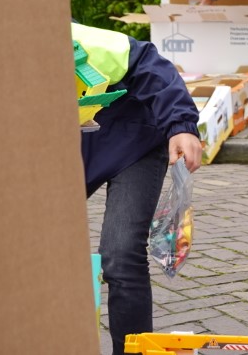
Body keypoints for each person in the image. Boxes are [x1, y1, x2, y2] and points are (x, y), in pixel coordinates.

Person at [75, 21, 203, 355]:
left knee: (119, 254)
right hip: (70, 151)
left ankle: (131, 351)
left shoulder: (74, 40)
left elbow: (147, 61)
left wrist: (181, 125)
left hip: (134, 141)